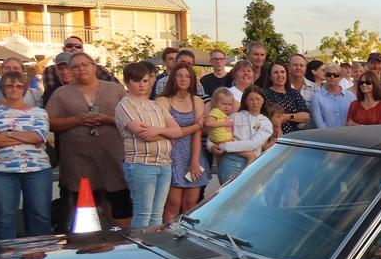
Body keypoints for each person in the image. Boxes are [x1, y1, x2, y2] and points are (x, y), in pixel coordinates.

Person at [45, 53, 130, 229]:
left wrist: (107, 119)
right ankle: (89, 245)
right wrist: (78, 120)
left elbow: (131, 118)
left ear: (95, 67)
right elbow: (49, 122)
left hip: (112, 157)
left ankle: (124, 240)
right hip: (78, 160)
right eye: (75, 66)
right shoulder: (61, 93)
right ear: (70, 70)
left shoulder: (114, 89)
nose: (81, 68)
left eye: (85, 64)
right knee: (84, 206)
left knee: (119, 201)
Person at [0, 70, 52, 238]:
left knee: (40, 215)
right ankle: (8, 257)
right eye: (9, 85)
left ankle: (41, 255)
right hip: (2, 171)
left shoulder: (39, 112)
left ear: (25, 89)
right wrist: (26, 137)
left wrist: (6, 133)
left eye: (19, 86)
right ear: (3, 89)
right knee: (5, 217)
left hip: (37, 169)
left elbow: (39, 136)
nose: (14, 89)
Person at [115, 61, 184, 228]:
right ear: (127, 82)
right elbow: (144, 135)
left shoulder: (156, 105)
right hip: (141, 164)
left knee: (157, 214)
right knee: (143, 213)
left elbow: (178, 131)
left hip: (164, 163)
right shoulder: (124, 105)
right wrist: (167, 134)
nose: (141, 84)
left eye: (145, 80)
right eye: (136, 80)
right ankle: (139, 249)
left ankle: (153, 248)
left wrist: (157, 130)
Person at [157, 63, 207, 223]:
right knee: (172, 204)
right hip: (172, 155)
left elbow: (197, 134)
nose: (183, 79)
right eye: (179, 75)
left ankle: (187, 237)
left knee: (190, 204)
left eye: (188, 76)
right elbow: (172, 130)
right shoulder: (162, 101)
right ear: (173, 78)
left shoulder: (197, 101)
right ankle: (167, 237)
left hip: (194, 153)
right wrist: (196, 125)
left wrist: (194, 161)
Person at [207, 85, 272, 185]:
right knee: (229, 196)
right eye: (251, 99)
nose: (255, 102)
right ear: (245, 101)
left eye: (258, 99)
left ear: (263, 100)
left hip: (253, 163)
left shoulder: (266, 123)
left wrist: (225, 146)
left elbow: (253, 144)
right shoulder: (234, 117)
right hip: (230, 162)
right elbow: (214, 134)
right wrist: (211, 146)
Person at [262, 62, 311, 135]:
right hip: (276, 136)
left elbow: (306, 116)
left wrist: (287, 117)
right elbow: (270, 118)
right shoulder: (265, 94)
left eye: (282, 72)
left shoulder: (294, 93)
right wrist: (296, 117)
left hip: (297, 136)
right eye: (276, 72)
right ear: (270, 77)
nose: (280, 75)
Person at [310, 62, 353, 128]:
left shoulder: (350, 96)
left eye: (336, 75)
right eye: (328, 74)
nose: (332, 77)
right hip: (326, 136)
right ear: (324, 76)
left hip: (348, 135)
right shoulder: (317, 97)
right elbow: (319, 123)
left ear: (341, 77)